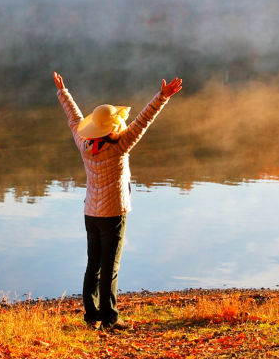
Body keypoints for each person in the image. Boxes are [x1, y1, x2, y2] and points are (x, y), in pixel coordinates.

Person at [53, 70, 184, 330]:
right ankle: (110, 319)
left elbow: (73, 119)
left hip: (91, 212)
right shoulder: (121, 145)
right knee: (109, 267)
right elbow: (142, 121)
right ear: (113, 127)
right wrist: (162, 97)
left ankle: (91, 317)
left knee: (93, 265)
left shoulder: (84, 144)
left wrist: (63, 92)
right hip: (114, 213)